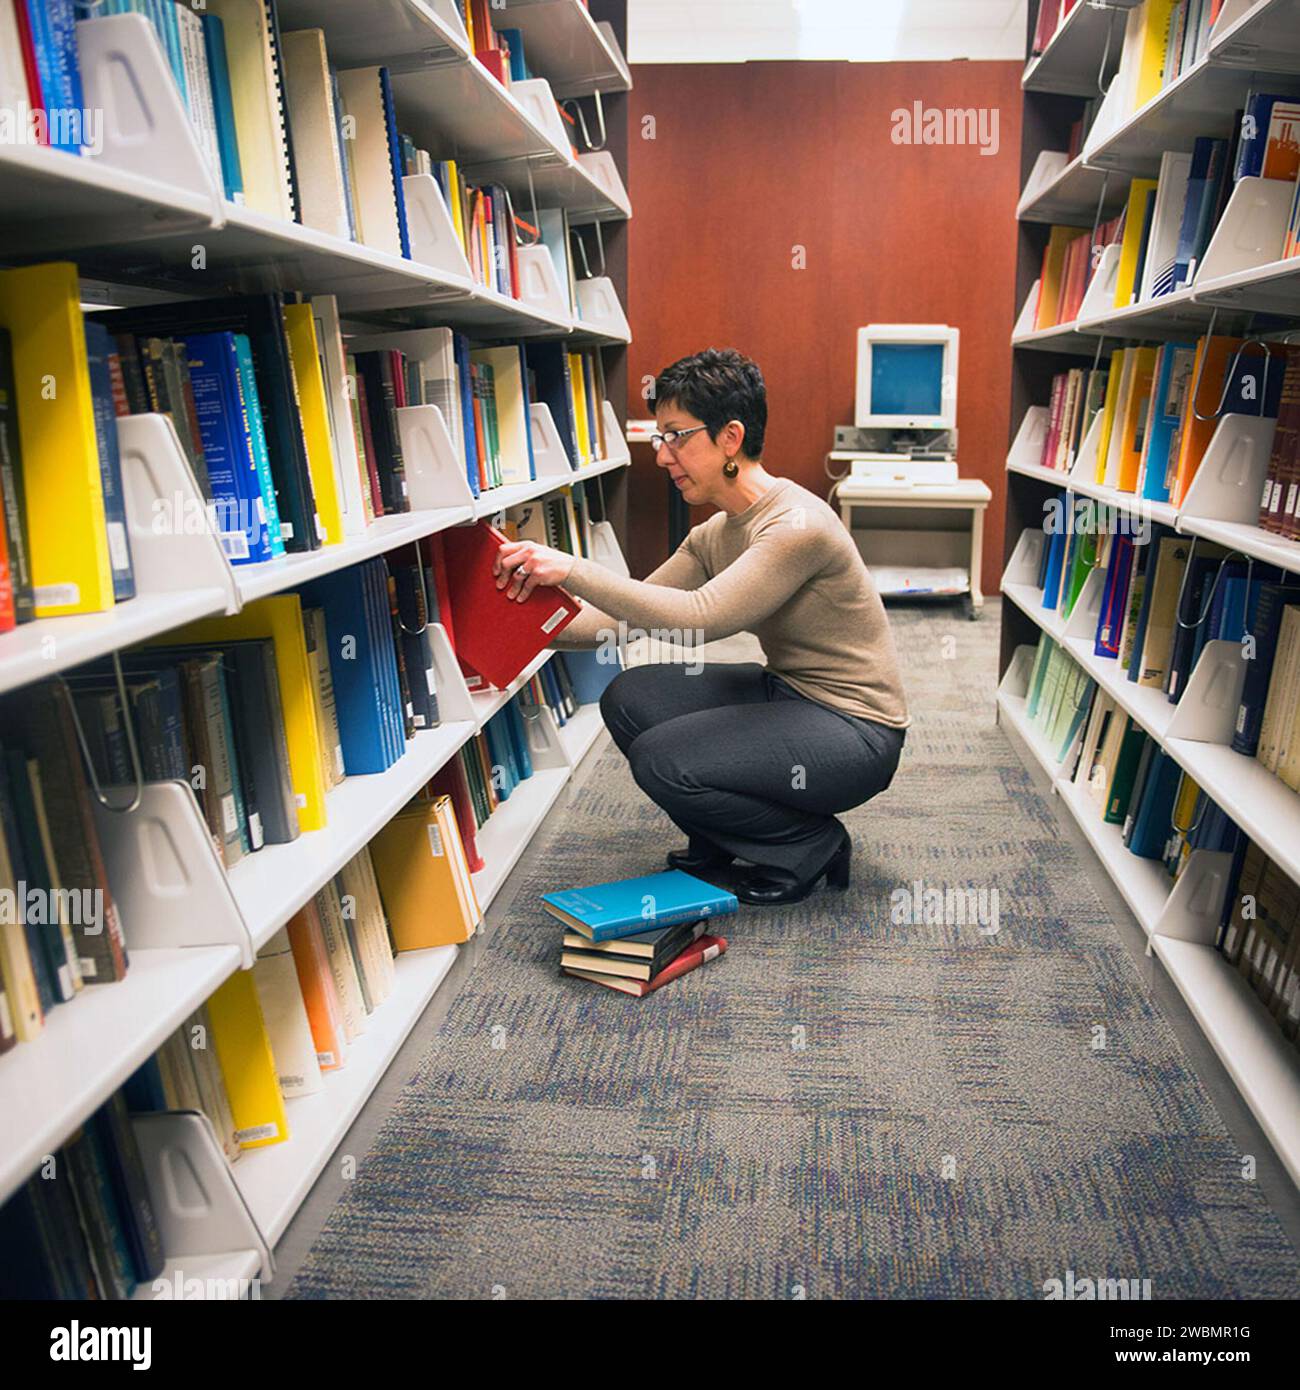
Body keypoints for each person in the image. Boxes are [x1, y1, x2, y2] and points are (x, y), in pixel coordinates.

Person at [493, 348, 910, 906]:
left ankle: (809, 843)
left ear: (730, 437)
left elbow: (702, 617)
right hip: (790, 693)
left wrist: (571, 568)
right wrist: (511, 619)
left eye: (676, 436)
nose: (663, 456)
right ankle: (723, 836)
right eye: (659, 438)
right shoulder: (717, 532)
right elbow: (618, 621)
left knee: (664, 759)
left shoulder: (797, 525)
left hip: (855, 730)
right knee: (629, 697)